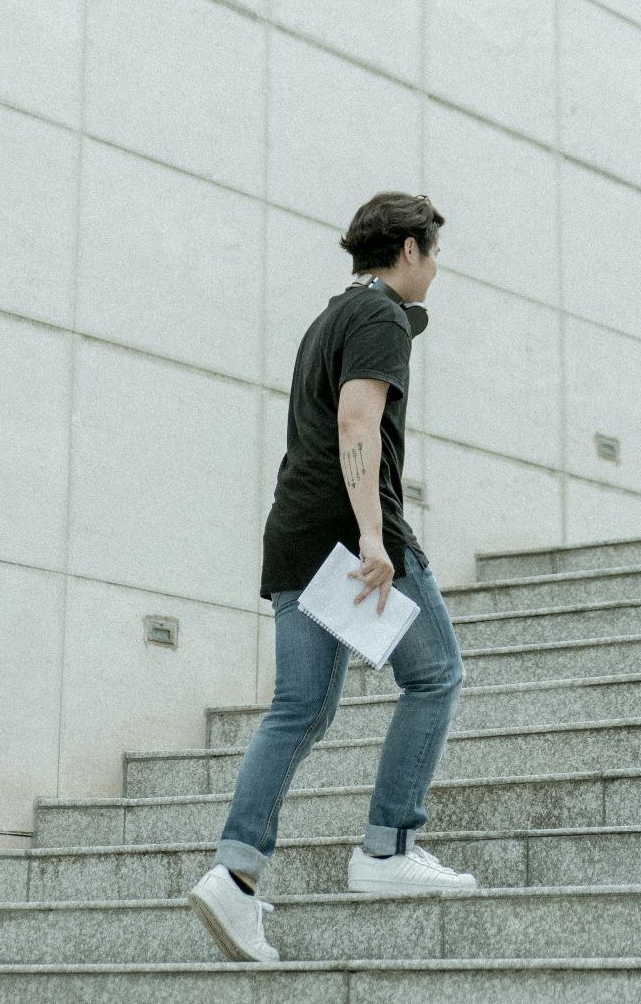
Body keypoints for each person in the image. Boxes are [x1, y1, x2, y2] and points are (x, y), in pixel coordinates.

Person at [187, 191, 475, 963]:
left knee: (299, 710)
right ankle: (386, 848)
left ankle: (235, 875)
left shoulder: (327, 319)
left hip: (296, 530)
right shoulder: (379, 318)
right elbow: (357, 423)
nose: (437, 269)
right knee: (437, 675)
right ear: (408, 249)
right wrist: (376, 538)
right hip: (350, 535)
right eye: (435, 253)